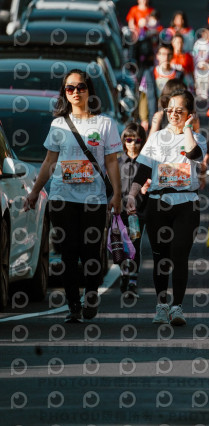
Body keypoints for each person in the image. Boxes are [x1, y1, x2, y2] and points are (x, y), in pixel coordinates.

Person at [23, 69, 122, 323]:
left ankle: (91, 295)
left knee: (91, 251)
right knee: (67, 252)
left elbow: (112, 162)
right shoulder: (58, 124)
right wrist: (34, 192)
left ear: (89, 91)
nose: (76, 92)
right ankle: (73, 305)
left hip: (94, 198)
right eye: (70, 88)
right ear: (64, 93)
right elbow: (49, 162)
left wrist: (117, 194)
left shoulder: (105, 124)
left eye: (80, 87)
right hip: (62, 197)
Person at [126, 90, 207, 326]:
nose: (173, 114)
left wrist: (188, 128)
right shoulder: (156, 138)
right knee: (160, 256)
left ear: (190, 114)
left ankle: (177, 307)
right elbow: (143, 169)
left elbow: (194, 154)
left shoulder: (197, 138)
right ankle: (161, 306)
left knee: (179, 254)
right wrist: (132, 194)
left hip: (186, 203)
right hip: (158, 203)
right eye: (170, 110)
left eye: (179, 111)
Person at [118, 123, 148, 299]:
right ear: (124, 141)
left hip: (139, 211)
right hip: (119, 211)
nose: (133, 144)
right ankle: (124, 273)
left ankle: (133, 281)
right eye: (129, 140)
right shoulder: (116, 162)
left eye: (137, 141)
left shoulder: (146, 163)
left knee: (134, 246)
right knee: (121, 245)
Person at [138, 44, 184, 132]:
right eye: (162, 54)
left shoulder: (178, 75)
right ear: (157, 56)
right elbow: (143, 97)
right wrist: (144, 119)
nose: (166, 57)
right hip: (153, 116)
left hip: (173, 118)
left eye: (168, 54)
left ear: (172, 55)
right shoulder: (149, 74)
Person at [192, 28, 209, 99]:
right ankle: (198, 95)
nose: (208, 35)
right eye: (206, 33)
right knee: (198, 83)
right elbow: (194, 55)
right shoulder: (198, 43)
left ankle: (205, 96)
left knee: (206, 83)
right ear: (203, 34)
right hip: (198, 66)